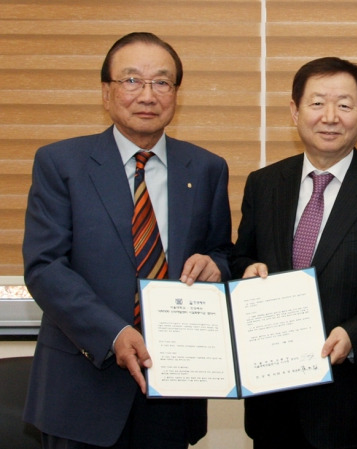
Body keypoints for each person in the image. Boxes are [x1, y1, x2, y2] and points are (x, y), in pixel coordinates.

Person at [22, 32, 233, 449]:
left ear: (176, 94)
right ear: (107, 93)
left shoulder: (207, 168)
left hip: (172, 391)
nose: (147, 94)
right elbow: (45, 266)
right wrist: (114, 333)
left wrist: (216, 266)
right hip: (82, 389)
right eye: (132, 80)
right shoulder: (61, 163)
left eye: (161, 82)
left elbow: (222, 253)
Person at [230, 56, 357, 449]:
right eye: (317, 103)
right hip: (272, 400)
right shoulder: (264, 184)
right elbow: (239, 257)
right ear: (294, 111)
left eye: (344, 105)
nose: (330, 116)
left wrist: (353, 333)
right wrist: (248, 269)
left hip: (351, 402)